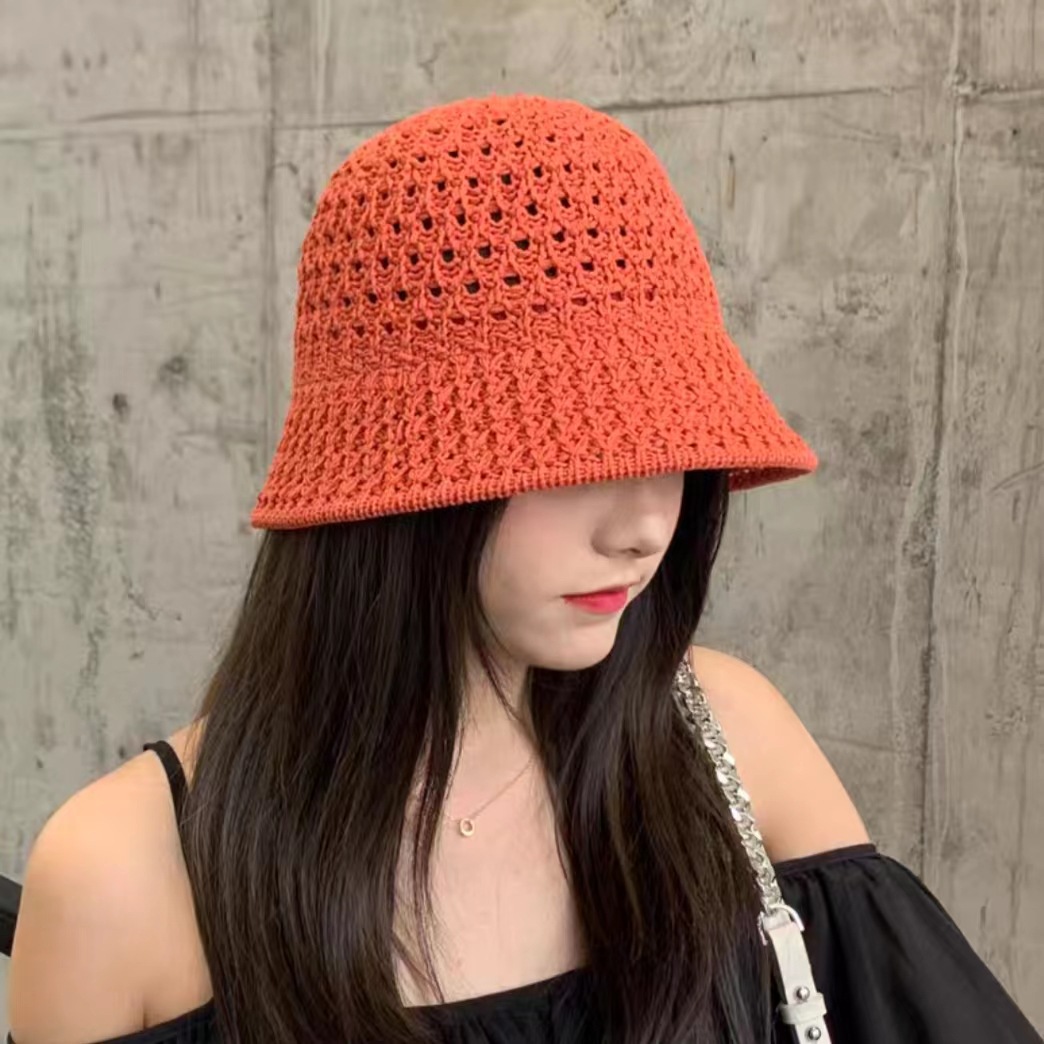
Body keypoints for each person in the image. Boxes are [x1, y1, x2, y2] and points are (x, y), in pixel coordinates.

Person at [6, 93, 1041, 1044]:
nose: (647, 527)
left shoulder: (725, 739)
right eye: (580, 452)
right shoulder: (124, 878)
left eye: (675, 450)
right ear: (401, 470)